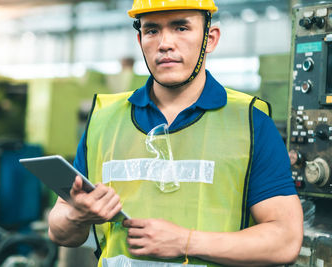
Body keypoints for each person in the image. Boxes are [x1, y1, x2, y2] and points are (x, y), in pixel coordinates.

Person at [48, 0, 303, 266]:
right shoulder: (104, 119)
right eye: (152, 30)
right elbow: (58, 230)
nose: (165, 43)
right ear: (140, 40)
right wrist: (78, 216)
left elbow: (285, 240)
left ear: (210, 39)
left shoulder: (250, 123)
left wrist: (187, 241)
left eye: (181, 28)